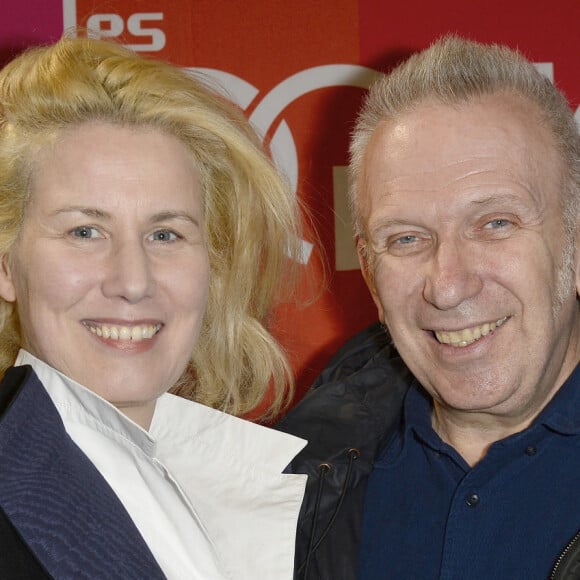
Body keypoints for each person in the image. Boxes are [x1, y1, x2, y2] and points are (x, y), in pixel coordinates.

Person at [0, 35, 308, 579]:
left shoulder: (269, 488)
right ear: (6, 264)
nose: (133, 282)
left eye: (165, 234)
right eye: (85, 230)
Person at [277, 36, 580, 579]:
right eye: (407, 239)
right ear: (370, 274)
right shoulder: (289, 485)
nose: (447, 286)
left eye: (495, 224)